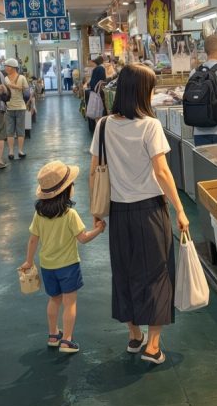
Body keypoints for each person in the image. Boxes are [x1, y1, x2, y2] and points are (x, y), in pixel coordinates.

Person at [90, 63, 189, 365]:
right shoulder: (150, 125)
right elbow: (161, 171)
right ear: (142, 91)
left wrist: (97, 211)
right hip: (150, 211)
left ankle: (134, 335)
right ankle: (153, 345)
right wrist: (181, 210)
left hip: (119, 213)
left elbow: (94, 172)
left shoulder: (104, 124)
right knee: (157, 274)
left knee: (125, 272)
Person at [18, 161, 106, 355]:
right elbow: (83, 239)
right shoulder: (70, 214)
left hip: (48, 266)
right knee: (70, 303)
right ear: (66, 191)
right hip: (69, 266)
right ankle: (66, 340)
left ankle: (52, 335)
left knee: (54, 300)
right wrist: (98, 230)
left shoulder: (39, 215)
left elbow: (33, 240)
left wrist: (29, 261)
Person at [2, 58, 30, 160]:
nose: (5, 68)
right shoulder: (4, 79)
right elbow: (3, 93)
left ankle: (20, 150)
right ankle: (10, 151)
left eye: (7, 66)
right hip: (9, 108)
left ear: (13, 67)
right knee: (9, 131)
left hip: (20, 107)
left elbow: (27, 92)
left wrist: (13, 86)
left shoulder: (22, 78)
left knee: (20, 130)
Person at [86, 56, 107, 133]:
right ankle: (99, 129)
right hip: (98, 93)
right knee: (98, 111)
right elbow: (103, 81)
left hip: (94, 92)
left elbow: (93, 82)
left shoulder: (97, 69)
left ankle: (96, 129)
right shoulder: (101, 69)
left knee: (95, 111)